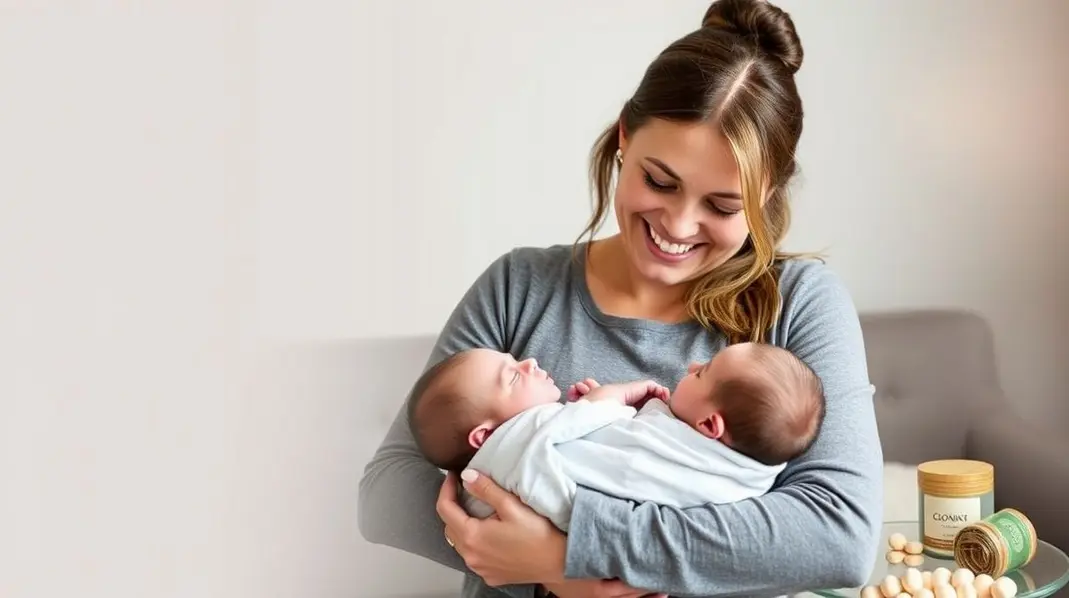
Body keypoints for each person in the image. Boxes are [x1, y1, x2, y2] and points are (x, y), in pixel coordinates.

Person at [358, 0, 884, 596]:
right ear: (623, 138)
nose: (679, 226)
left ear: (767, 198)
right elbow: (385, 491)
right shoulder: (519, 287)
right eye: (660, 181)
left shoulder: (800, 303)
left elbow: (839, 535)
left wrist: (568, 558)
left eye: (723, 205)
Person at [406, 344, 826, 533]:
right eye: (515, 372)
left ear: (711, 429)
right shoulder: (518, 443)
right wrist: (599, 408)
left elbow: (627, 453)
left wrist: (601, 407)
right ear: (484, 434)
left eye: (703, 371)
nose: (530, 360)